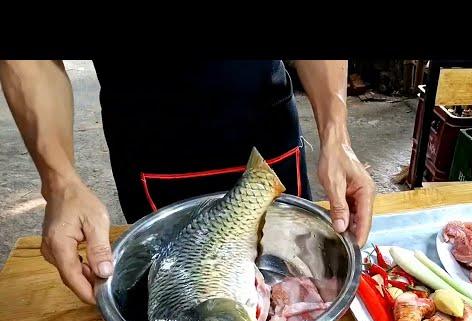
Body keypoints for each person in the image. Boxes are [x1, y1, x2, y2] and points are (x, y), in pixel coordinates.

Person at [0, 60, 375, 304]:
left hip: (267, 144)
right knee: (179, 304)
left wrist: (336, 134)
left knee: (295, 290)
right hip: (153, 157)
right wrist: (59, 182)